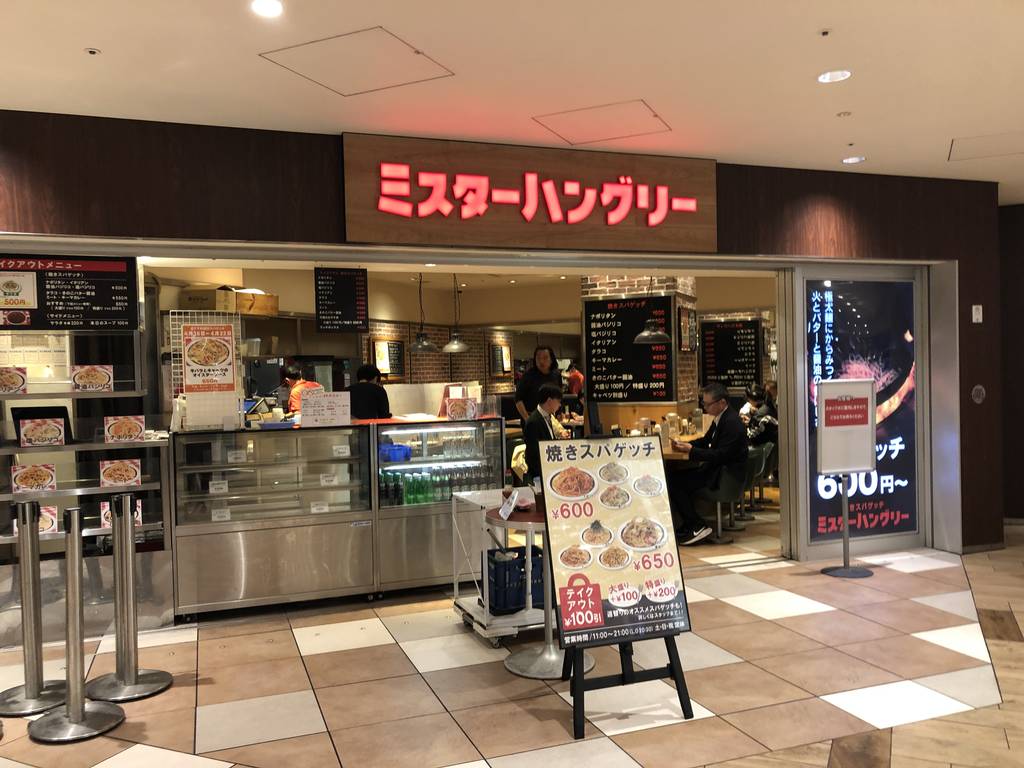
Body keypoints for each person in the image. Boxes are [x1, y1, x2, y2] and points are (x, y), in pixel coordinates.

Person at [668, 382, 749, 545]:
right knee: (675, 477)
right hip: (718, 471)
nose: (704, 407)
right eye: (703, 403)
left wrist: (691, 451)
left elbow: (720, 455)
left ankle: (697, 525)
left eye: (707, 404)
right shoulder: (722, 418)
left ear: (722, 403)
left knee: (675, 482)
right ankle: (689, 524)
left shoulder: (731, 423)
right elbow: (705, 441)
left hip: (725, 477)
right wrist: (686, 445)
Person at [524, 383, 563, 484]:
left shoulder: (548, 416)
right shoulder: (533, 422)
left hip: (549, 472)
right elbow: (532, 455)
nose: (559, 405)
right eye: (558, 401)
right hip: (539, 476)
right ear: (549, 401)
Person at [515, 346, 562, 421]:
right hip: (532, 417)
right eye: (538, 358)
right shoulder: (528, 375)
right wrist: (527, 418)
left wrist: (559, 413)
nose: (541, 361)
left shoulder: (556, 375)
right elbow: (518, 399)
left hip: (551, 418)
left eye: (545, 358)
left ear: (551, 360)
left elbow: (559, 396)